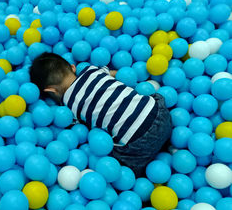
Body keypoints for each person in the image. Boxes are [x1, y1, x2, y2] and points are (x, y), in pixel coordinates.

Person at [29, 52, 172, 177]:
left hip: (139, 143)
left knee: (119, 164)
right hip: (161, 114)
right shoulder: (91, 71)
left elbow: (80, 127)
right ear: (73, 67)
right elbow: (113, 74)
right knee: (151, 98)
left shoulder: (69, 106)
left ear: (51, 91)